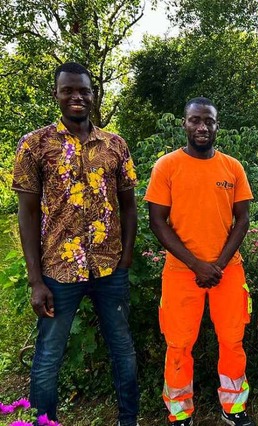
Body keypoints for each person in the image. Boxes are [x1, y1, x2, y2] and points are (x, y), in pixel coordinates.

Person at [12, 61, 139, 426]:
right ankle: (43, 422)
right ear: (56, 94)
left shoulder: (114, 144)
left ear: (93, 94)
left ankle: (128, 420)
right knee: (49, 354)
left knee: (122, 349)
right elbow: (28, 214)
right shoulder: (34, 145)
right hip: (58, 270)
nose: (77, 97)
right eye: (68, 90)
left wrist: (126, 259)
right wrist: (35, 280)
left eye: (83, 90)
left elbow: (128, 206)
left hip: (108, 267)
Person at [145, 97, 255, 426]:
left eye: (208, 121)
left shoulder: (232, 167)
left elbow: (243, 220)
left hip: (228, 271)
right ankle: (179, 413)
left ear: (217, 125)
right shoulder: (166, 166)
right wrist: (197, 265)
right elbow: (157, 222)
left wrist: (218, 264)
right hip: (181, 272)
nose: (202, 127)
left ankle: (233, 407)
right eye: (195, 120)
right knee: (178, 345)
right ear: (185, 123)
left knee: (233, 341)